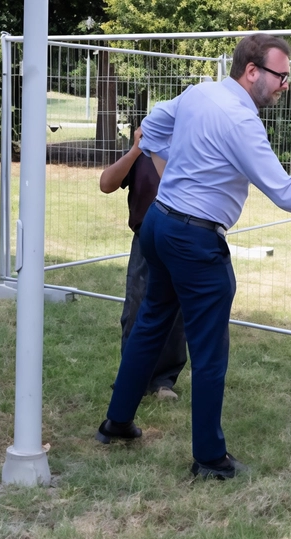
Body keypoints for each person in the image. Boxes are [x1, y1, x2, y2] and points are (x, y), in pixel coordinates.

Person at [94, 34, 291, 480]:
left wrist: (179, 172)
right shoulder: (241, 120)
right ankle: (209, 459)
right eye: (280, 75)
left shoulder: (199, 93)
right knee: (209, 352)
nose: (286, 84)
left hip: (159, 225)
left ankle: (117, 423)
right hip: (194, 240)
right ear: (251, 71)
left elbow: (150, 127)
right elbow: (285, 192)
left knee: (151, 321)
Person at [99, 127, 185, 401]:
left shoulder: (188, 151)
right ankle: (131, 377)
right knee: (137, 306)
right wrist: (137, 149)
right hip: (145, 237)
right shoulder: (141, 153)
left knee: (175, 311)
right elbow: (106, 184)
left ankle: (162, 382)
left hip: (181, 237)